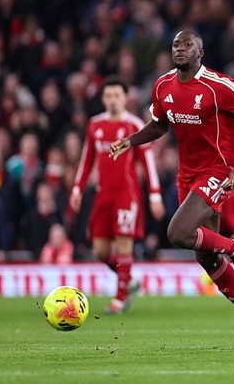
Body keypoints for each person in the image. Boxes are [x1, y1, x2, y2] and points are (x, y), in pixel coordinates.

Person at [109, 30, 234, 341]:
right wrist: (130, 141)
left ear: (201, 52)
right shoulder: (163, 85)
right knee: (205, 256)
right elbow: (159, 125)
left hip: (221, 169)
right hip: (188, 173)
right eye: (175, 44)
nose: (180, 49)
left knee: (178, 233)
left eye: (188, 45)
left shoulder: (218, 86)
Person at [71, 78, 164, 314]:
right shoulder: (94, 125)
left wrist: (154, 195)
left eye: (117, 95)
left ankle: (120, 298)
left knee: (124, 246)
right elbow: (86, 159)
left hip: (126, 195)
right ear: (103, 99)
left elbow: (148, 161)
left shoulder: (134, 125)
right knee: (101, 250)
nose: (113, 100)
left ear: (125, 98)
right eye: (109, 96)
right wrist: (77, 189)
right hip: (103, 196)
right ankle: (130, 281)